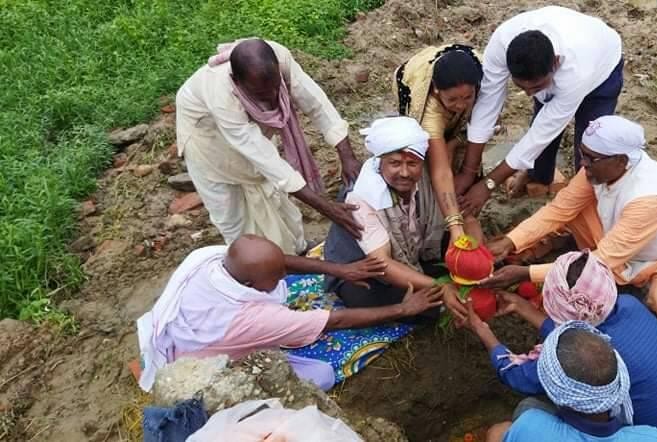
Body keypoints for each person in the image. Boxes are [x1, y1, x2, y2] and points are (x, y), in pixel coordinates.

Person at [481, 116, 657, 331]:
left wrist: (525, 274)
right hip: (623, 242)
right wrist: (511, 241)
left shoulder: (649, 197)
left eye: (591, 159)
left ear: (620, 160)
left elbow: (602, 261)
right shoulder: (599, 168)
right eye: (582, 154)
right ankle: (580, 255)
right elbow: (559, 210)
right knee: (570, 209)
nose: (583, 163)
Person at [136, 234, 443, 392]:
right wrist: (404, 308)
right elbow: (334, 321)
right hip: (202, 365)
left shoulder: (212, 257)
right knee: (320, 374)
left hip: (194, 325)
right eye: (275, 276)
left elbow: (280, 261)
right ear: (249, 284)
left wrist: (340, 269)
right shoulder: (251, 318)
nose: (283, 276)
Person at [465, 251, 657, 442]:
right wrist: (524, 308)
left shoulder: (568, 363)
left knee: (527, 409)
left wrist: (483, 332)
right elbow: (581, 336)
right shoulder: (629, 306)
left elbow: (517, 375)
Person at [175, 38, 364, 255]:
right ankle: (247, 264)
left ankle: (298, 250)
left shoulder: (279, 58)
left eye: (276, 88)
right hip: (207, 140)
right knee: (230, 213)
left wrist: (347, 156)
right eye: (262, 95)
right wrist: (327, 207)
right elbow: (264, 157)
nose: (274, 97)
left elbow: (315, 102)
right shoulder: (221, 93)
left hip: (252, 129)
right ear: (237, 81)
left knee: (274, 194)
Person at [459, 6, 624, 213]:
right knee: (542, 115)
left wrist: (488, 184)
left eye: (535, 87)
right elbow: (487, 103)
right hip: (566, 52)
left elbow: (543, 132)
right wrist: (469, 170)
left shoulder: (576, 71)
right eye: (521, 87)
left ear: (555, 63)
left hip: (603, 68)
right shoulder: (501, 44)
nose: (528, 94)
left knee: (591, 146)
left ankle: (585, 205)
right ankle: (538, 175)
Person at [323, 117, 471, 321]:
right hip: (365, 270)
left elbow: (466, 218)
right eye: (394, 163)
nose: (404, 172)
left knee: (463, 265)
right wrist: (439, 287)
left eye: (412, 163)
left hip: (411, 252)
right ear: (379, 162)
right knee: (369, 296)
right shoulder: (361, 197)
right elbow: (381, 263)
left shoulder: (429, 178)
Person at [478, 320, 657, 442]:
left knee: (505, 426)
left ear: (557, 395)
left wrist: (483, 331)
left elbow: (496, 434)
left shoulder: (530, 427)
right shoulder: (655, 437)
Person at [394, 44, 486, 241]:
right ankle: (441, 223)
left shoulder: (485, 80)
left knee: (462, 157)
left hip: (465, 98)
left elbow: (482, 130)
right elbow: (440, 172)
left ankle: (466, 217)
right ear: (437, 91)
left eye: (468, 97)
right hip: (413, 78)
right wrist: (455, 226)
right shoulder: (429, 110)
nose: (460, 105)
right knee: (431, 168)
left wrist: (467, 171)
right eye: (452, 99)